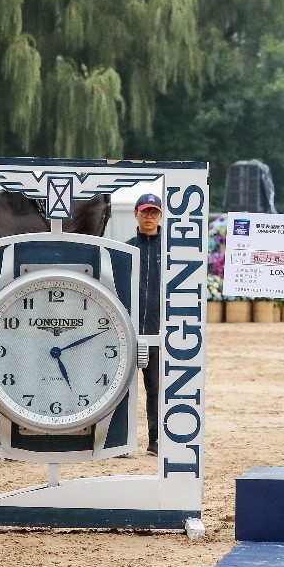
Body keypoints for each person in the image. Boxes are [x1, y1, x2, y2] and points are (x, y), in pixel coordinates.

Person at [126, 193, 162, 455]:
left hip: (158, 331)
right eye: (145, 212)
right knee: (122, 388)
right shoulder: (126, 250)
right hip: (129, 330)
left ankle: (155, 440)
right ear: (136, 214)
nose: (149, 217)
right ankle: (120, 441)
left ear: (160, 216)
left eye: (154, 212)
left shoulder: (171, 251)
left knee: (156, 389)